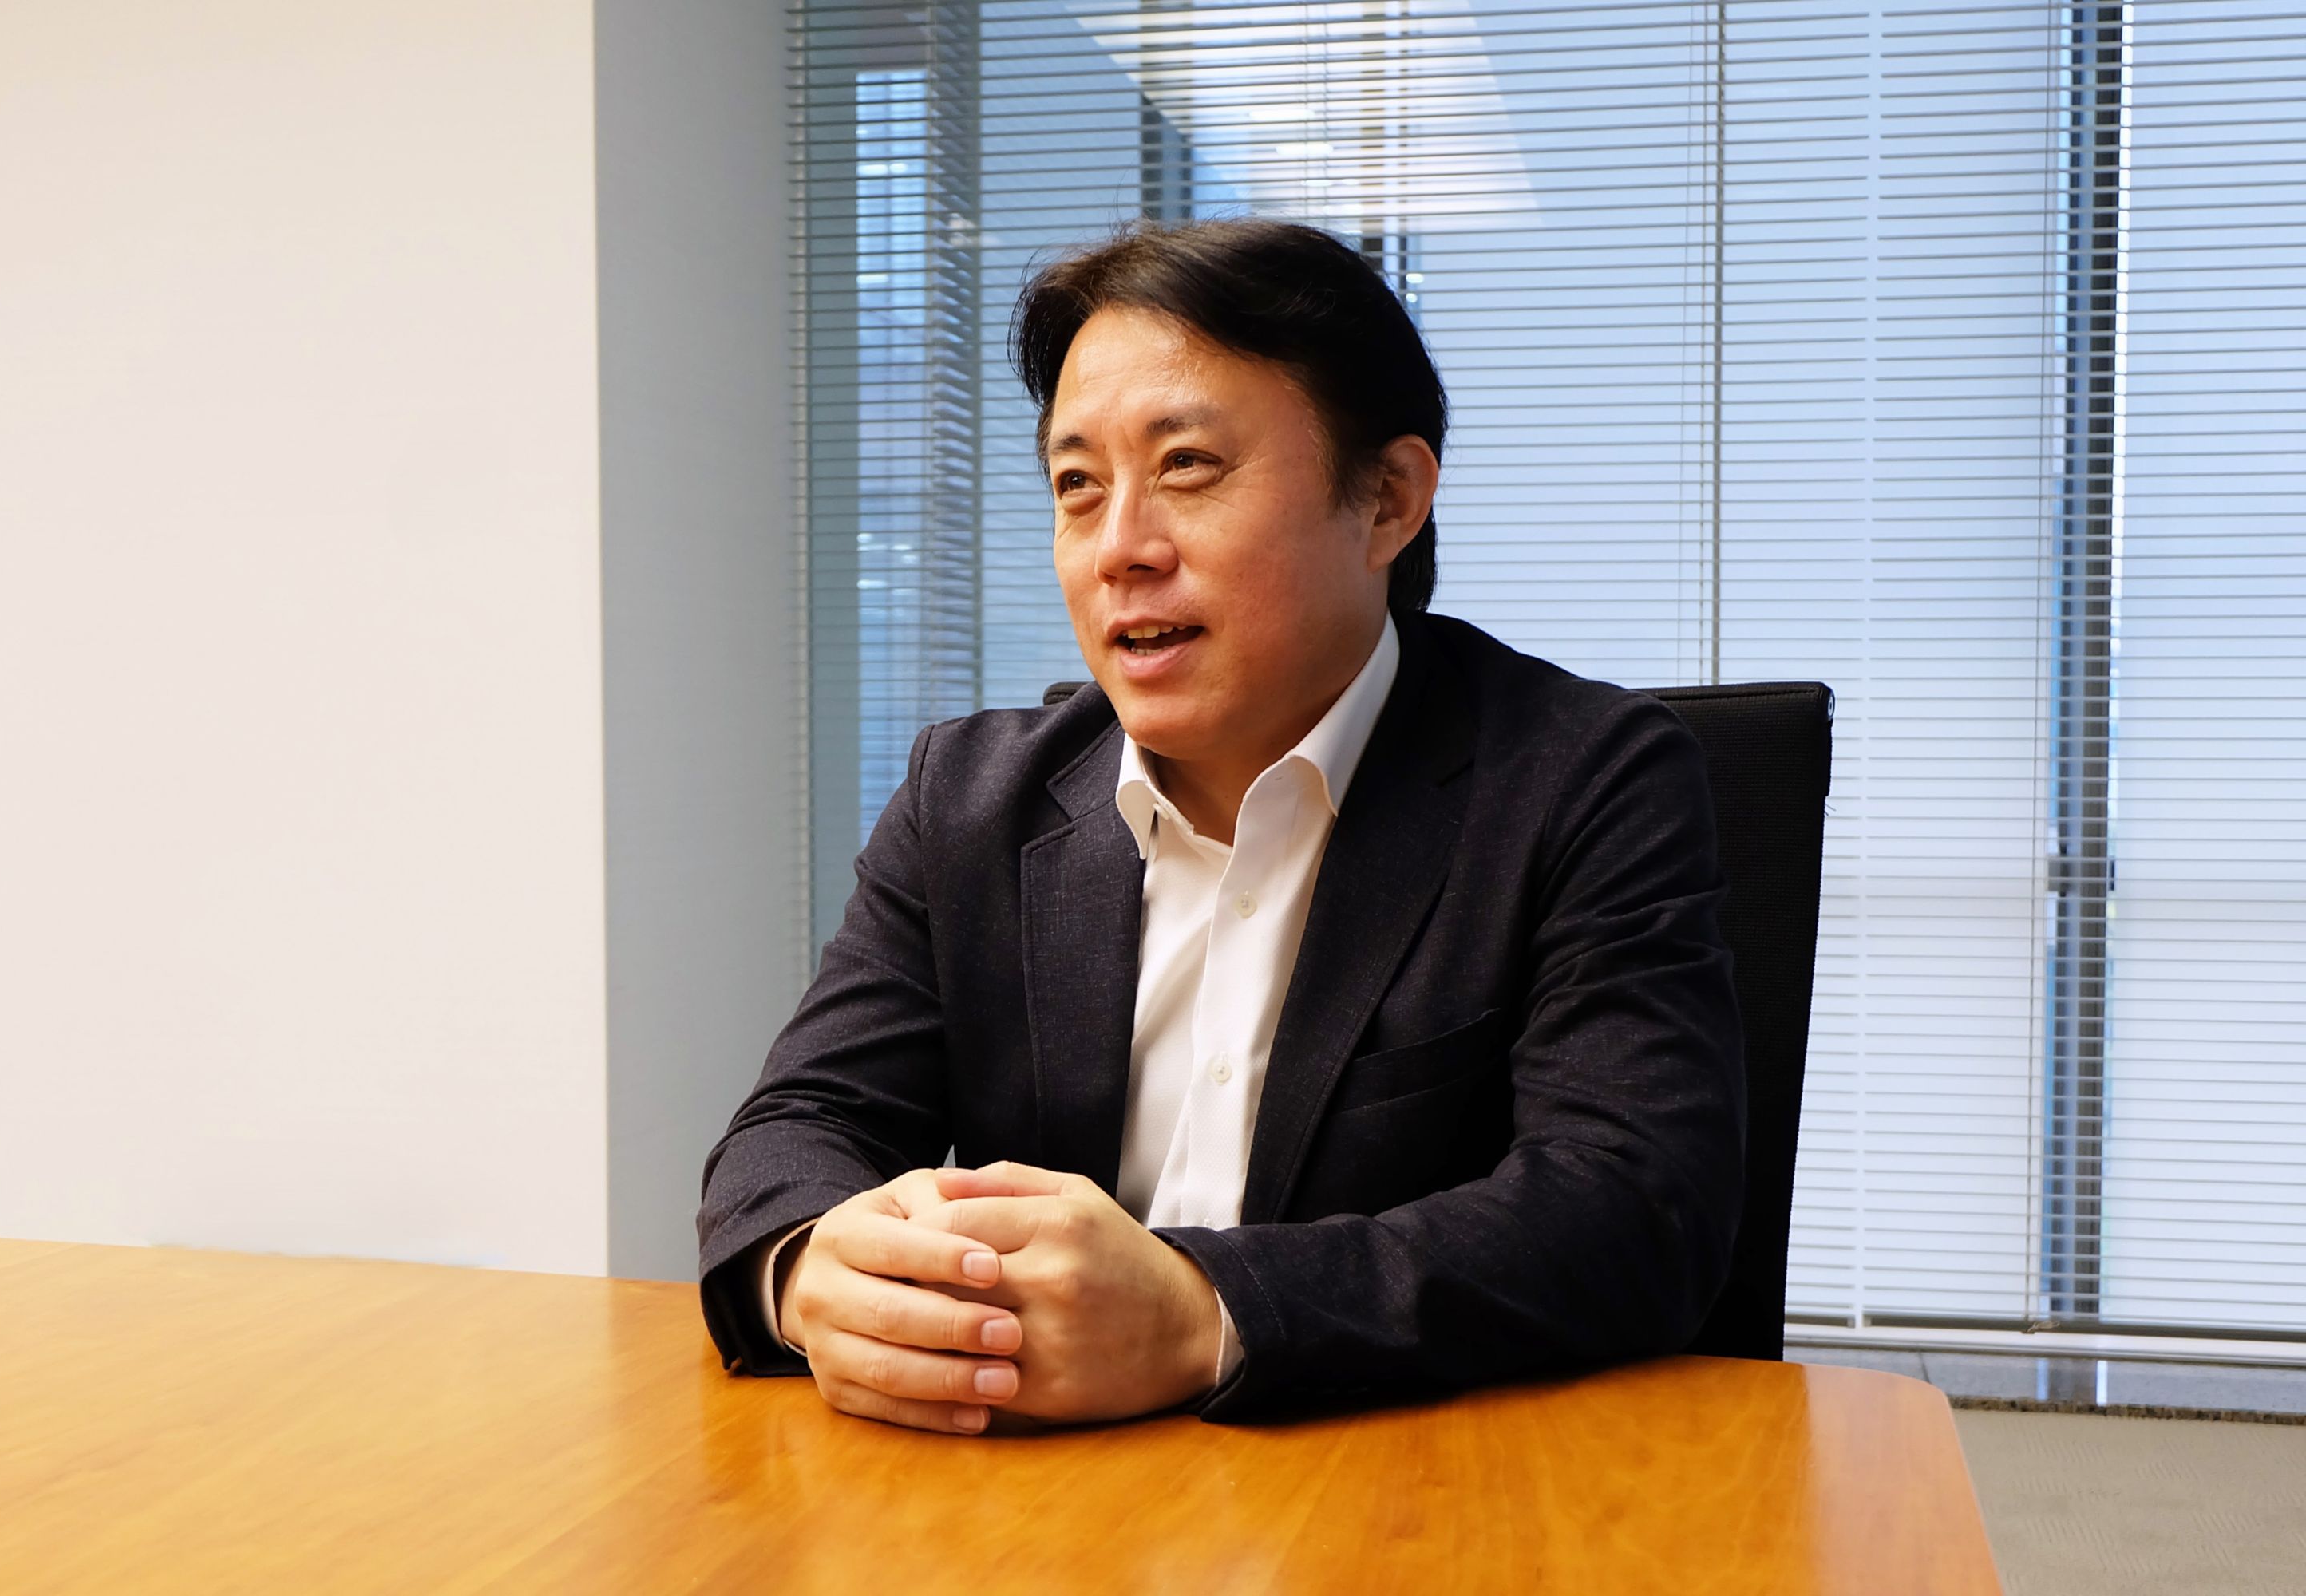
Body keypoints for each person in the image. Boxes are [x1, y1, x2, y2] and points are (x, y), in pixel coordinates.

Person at [695, 217, 1745, 1433]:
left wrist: (1204, 1312)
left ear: (1388, 500)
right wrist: (813, 1272)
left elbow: (1631, 1206)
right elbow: (794, 1135)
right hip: (1034, 1488)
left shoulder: (1583, 781)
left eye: (1187, 466)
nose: (1120, 550)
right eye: (1078, 487)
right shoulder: (967, 801)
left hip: (1407, 1482)